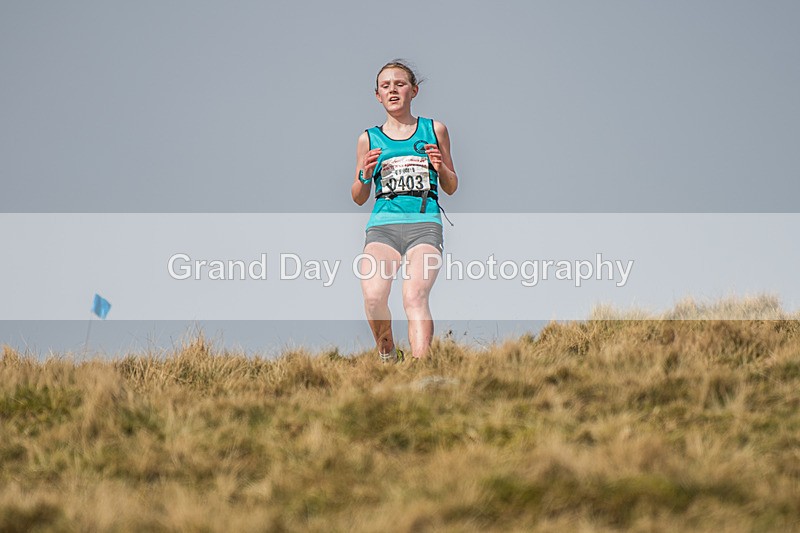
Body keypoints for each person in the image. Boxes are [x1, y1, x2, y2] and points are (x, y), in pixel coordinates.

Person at [351, 60, 458, 362]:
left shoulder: (434, 129)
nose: (393, 90)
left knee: (414, 296)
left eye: (399, 84)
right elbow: (359, 197)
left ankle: (421, 367)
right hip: (383, 227)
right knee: (373, 298)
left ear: (414, 90)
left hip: (424, 225)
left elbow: (451, 185)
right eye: (385, 86)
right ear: (378, 96)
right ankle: (388, 353)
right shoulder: (368, 139)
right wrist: (364, 175)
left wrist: (439, 167)